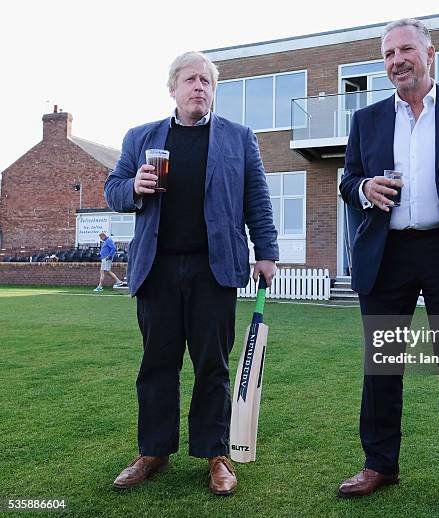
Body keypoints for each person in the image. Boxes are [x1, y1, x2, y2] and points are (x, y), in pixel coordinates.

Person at [338, 19, 439, 518]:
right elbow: (348, 180)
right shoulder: (366, 119)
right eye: (388, 54)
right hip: (386, 256)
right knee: (383, 369)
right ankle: (380, 464)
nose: (396, 61)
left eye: (405, 49)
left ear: (431, 52)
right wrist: (364, 189)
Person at [104, 51, 278, 495]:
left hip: (214, 269)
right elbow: (113, 189)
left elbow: (257, 197)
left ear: (213, 90)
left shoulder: (239, 138)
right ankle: (153, 452)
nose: (199, 86)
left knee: (212, 367)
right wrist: (134, 187)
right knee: (157, 365)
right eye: (190, 79)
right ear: (173, 89)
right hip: (157, 269)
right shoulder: (141, 136)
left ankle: (215, 453)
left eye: (206, 81)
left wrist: (267, 251)